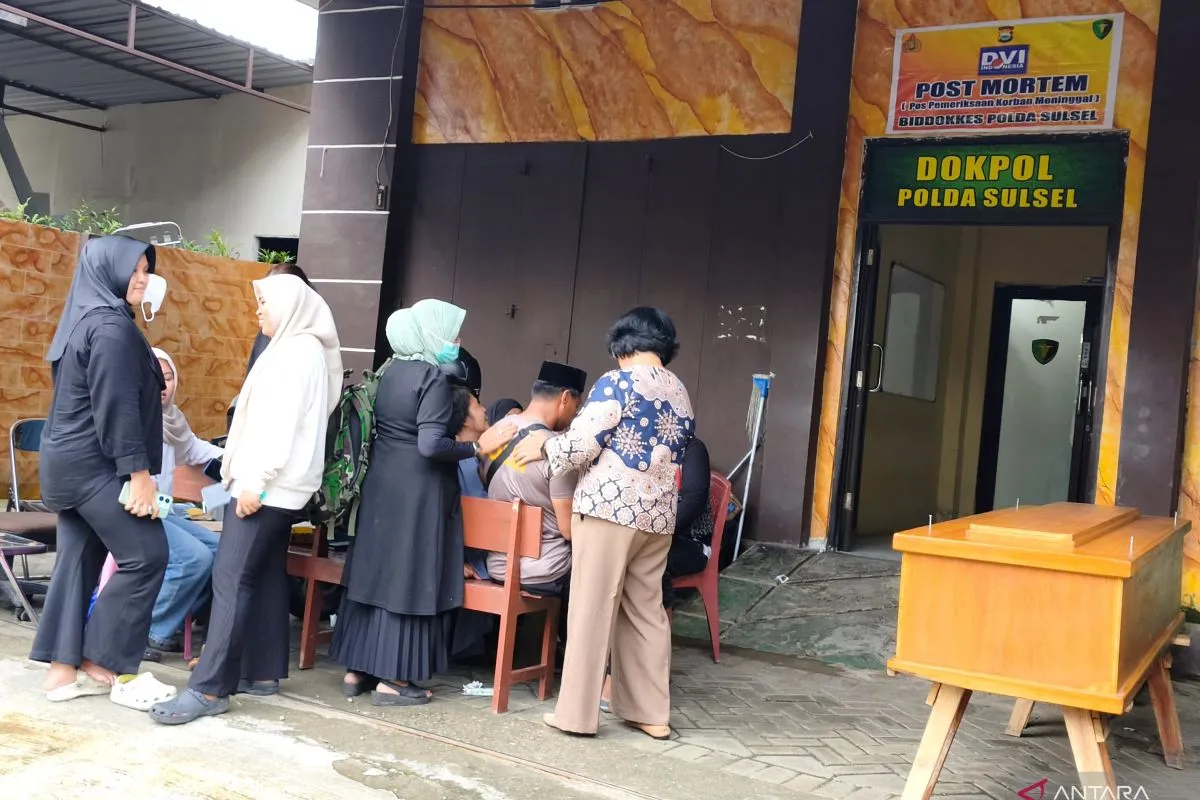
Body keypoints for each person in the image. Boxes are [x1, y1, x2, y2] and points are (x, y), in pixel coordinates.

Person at [150, 273, 342, 724]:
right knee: (258, 576)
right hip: (274, 487)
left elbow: (278, 427)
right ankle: (256, 671)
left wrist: (254, 483)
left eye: (263, 303)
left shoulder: (295, 353)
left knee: (231, 578)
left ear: (288, 306)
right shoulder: (302, 348)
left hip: (265, 488)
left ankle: (209, 688)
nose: (258, 311)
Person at [513, 307, 694, 741]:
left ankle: (576, 715)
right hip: (657, 516)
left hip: (609, 511)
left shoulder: (617, 382)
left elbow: (582, 444)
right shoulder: (680, 390)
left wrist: (544, 446)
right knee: (646, 612)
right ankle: (651, 714)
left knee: (591, 609)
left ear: (622, 344)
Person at [331, 300, 515, 707]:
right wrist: (478, 447)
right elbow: (431, 445)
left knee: (376, 574)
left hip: (382, 486)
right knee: (408, 579)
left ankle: (356, 671)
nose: (457, 341)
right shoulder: (430, 376)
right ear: (431, 335)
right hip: (417, 493)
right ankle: (394, 681)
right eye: (451, 334)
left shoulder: (390, 371)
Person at [31, 235, 174, 709]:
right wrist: (139, 474)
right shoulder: (110, 328)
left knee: (78, 559)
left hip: (69, 465)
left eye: (146, 269)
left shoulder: (86, 318)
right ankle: (103, 663)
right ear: (107, 270)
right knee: (146, 555)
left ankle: (61, 672)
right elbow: (116, 406)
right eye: (134, 269)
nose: (143, 278)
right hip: (95, 466)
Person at [143, 348, 224, 660]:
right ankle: (147, 631)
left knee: (219, 550)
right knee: (194, 558)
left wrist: (235, 456)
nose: (163, 385)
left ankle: (174, 619)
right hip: (136, 510)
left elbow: (193, 450)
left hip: (161, 510)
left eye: (169, 377)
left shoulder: (172, 419)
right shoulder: (133, 416)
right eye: (156, 377)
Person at [483, 362, 587, 591]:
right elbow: (569, 530)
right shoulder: (557, 450)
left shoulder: (495, 432)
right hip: (543, 572)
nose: (574, 415)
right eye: (576, 406)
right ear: (565, 398)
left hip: (497, 567)